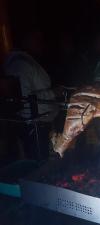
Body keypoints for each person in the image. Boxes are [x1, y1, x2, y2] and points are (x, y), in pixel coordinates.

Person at [3, 30, 61, 160]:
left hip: (40, 124)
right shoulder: (19, 64)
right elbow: (24, 98)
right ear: (26, 40)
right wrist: (53, 93)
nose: (40, 44)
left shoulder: (27, 61)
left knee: (44, 158)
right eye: (36, 40)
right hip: (33, 126)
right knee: (38, 160)